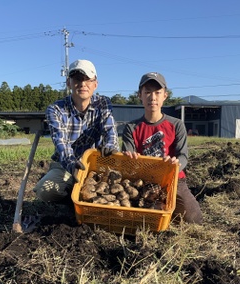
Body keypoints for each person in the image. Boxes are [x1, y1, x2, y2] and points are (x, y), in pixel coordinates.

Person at [34, 59, 119, 203]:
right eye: (77, 79)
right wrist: (72, 164)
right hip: (65, 166)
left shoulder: (103, 104)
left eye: (87, 79)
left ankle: (86, 198)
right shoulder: (56, 109)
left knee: (115, 184)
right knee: (45, 191)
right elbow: (60, 143)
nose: (82, 84)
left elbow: (110, 130)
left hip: (94, 164)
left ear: (95, 84)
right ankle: (73, 199)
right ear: (69, 83)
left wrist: (111, 146)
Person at [122, 72, 203, 224]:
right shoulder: (131, 127)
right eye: (147, 92)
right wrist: (129, 158)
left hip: (172, 179)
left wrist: (176, 163)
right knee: (133, 218)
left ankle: (168, 209)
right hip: (143, 180)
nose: (152, 97)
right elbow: (128, 157)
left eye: (157, 93)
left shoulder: (176, 124)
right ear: (140, 95)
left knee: (193, 219)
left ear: (165, 95)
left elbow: (183, 156)